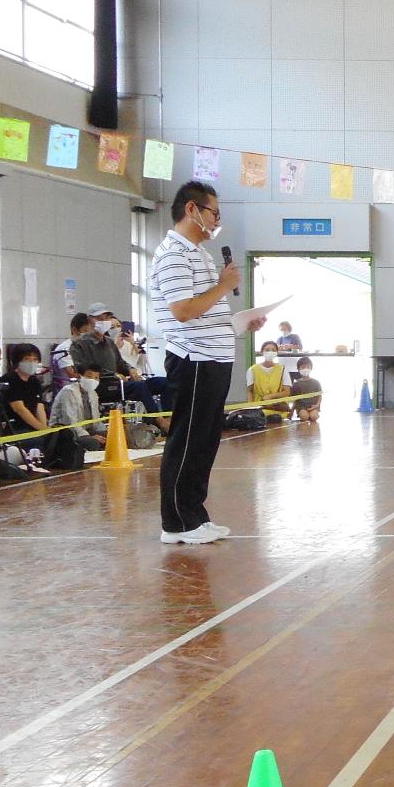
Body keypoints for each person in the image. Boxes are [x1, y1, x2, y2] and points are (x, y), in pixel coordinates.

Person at [151, 180, 258, 545]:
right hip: (192, 359)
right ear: (192, 209)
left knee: (206, 440)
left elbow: (206, 312)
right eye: (214, 212)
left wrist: (241, 321)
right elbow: (182, 311)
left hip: (214, 358)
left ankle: (195, 515)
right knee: (188, 439)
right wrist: (224, 285)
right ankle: (176, 522)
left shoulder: (199, 254)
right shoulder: (173, 255)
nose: (217, 221)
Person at [47, 360, 109, 465]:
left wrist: (108, 430)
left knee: (111, 437)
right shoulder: (69, 392)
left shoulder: (93, 394)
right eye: (89, 376)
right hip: (68, 434)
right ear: (80, 376)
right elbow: (70, 422)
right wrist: (89, 436)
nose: (93, 380)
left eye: (96, 378)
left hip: (88, 430)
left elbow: (96, 421)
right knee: (93, 443)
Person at [4, 343, 51, 436]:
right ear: (17, 361)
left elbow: (39, 406)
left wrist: (44, 428)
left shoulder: (34, 381)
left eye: (35, 360)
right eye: (27, 359)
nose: (32, 363)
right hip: (13, 429)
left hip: (32, 427)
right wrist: (42, 429)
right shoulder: (10, 379)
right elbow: (19, 409)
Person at [248, 341, 287, 415]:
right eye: (267, 350)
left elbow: (287, 392)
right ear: (262, 352)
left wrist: (270, 397)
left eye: (273, 350)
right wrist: (250, 408)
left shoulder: (283, 369)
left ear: (277, 352)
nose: (270, 352)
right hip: (259, 409)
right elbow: (249, 391)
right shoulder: (252, 369)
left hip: (278, 409)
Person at [286, 356, 323, 421]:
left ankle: (314, 414)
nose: (305, 369)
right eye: (303, 367)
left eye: (308, 367)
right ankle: (306, 415)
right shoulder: (296, 384)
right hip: (301, 407)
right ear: (298, 369)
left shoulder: (316, 382)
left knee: (314, 417)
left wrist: (317, 405)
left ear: (311, 368)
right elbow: (295, 399)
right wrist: (292, 411)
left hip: (313, 406)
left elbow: (319, 395)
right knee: (304, 417)